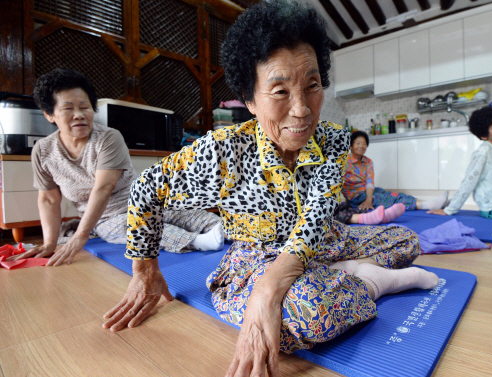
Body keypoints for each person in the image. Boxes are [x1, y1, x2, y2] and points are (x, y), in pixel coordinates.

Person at [102, 2, 439, 376]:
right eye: (280, 91)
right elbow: (145, 187)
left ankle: (340, 273)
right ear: (249, 100)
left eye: (312, 86)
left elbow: (315, 221)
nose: (302, 110)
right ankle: (373, 282)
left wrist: (268, 294)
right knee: (311, 312)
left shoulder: (332, 140)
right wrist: (144, 270)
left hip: (324, 240)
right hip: (256, 259)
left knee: (406, 241)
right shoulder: (224, 152)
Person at [7, 68, 223, 266]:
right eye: (68, 108)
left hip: (144, 200)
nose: (79, 114)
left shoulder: (108, 138)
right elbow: (48, 199)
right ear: (49, 115)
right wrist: (50, 243)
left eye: (85, 107)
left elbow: (104, 187)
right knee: (132, 227)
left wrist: (79, 237)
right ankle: (196, 242)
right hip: (106, 218)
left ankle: (230, 229)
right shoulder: (43, 151)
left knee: (188, 214)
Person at [334, 130, 449, 225]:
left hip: (368, 193)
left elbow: (370, 182)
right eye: (358, 143)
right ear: (351, 145)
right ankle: (426, 205)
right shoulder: (343, 162)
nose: (361, 146)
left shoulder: (368, 162)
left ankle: (426, 203)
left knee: (394, 194)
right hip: (356, 198)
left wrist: (369, 199)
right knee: (390, 199)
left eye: (364, 143)